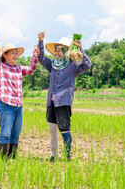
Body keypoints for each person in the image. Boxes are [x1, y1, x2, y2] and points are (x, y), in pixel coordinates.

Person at [37, 31, 91, 162]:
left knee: (64, 130)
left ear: (66, 51)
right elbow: (41, 58)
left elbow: (87, 65)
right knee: (52, 131)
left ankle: (68, 157)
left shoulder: (73, 66)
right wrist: (40, 42)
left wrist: (80, 49)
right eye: (55, 51)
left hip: (63, 101)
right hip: (51, 101)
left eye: (59, 50)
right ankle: (54, 156)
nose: (57, 53)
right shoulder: (53, 65)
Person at [0, 38, 40, 159]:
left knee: (15, 134)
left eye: (16, 53)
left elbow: (31, 68)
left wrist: (35, 55)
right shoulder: (0, 67)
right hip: (5, 104)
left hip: (18, 106)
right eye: (12, 53)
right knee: (6, 133)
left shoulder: (18, 69)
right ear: (5, 55)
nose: (15, 55)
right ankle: (3, 160)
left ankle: (12, 159)